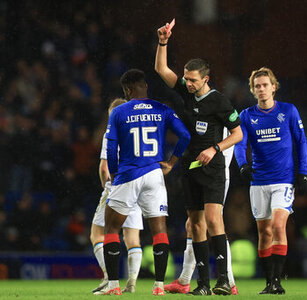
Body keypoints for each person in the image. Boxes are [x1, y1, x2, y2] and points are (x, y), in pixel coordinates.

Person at [155, 21, 243, 295]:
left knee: (215, 219)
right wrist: (163, 41)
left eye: (193, 80)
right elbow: (161, 69)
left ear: (206, 79)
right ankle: (203, 283)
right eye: (186, 78)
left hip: (213, 166)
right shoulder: (186, 91)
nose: (188, 83)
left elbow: (238, 134)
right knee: (194, 224)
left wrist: (215, 148)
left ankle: (224, 281)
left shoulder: (220, 102)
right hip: (189, 166)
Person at [100, 69, 190, 296]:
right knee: (159, 230)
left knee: (111, 227)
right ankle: (159, 285)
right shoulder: (162, 109)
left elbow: (111, 147)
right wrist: (171, 162)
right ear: (145, 86)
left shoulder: (119, 112)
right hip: (154, 174)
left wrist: (115, 172)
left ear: (128, 90)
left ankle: (113, 286)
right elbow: (186, 136)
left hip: (129, 174)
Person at [234, 67, 307, 294]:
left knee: (278, 225)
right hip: (259, 181)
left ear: (274, 87)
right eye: (257, 86)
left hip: (283, 181)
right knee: (264, 232)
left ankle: (277, 281)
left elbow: (301, 142)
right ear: (253, 90)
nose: (262, 89)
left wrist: (303, 172)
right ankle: (269, 282)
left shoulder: (288, 111)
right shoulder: (246, 116)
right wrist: (243, 165)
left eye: (265, 85)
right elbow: (239, 143)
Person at [163, 130, 238, 295]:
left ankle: (230, 282)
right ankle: (184, 280)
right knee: (193, 224)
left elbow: (234, 138)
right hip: (208, 171)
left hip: (216, 173)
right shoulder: (219, 112)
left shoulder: (219, 112)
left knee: (212, 222)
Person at [90, 98, 144, 294]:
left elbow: (104, 167)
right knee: (132, 237)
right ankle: (132, 282)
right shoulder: (135, 131)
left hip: (117, 186)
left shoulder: (111, 132)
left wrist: (106, 185)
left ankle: (108, 277)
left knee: (98, 233)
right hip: (137, 185)